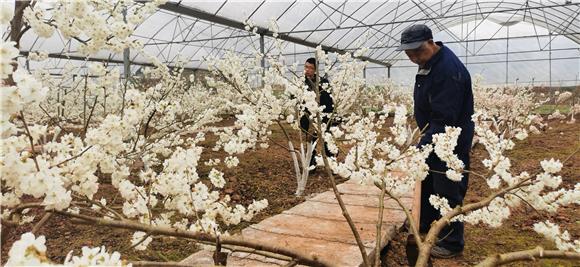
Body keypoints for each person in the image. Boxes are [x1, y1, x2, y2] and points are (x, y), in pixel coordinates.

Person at [397, 24, 474, 258]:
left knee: (448, 189)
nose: (414, 58)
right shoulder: (428, 63)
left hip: (450, 140)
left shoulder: (448, 71)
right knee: (429, 184)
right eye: (409, 55)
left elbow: (445, 118)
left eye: (418, 52)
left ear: (431, 42)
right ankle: (428, 225)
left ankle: (452, 243)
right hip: (434, 135)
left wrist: (422, 147)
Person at [300, 57, 335, 169]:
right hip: (308, 117)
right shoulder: (301, 82)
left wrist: (327, 117)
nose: (308, 70)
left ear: (315, 70)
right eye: (306, 67)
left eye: (311, 68)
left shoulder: (323, 83)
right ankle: (311, 164)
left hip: (323, 117)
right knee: (310, 141)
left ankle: (331, 164)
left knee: (326, 141)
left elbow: (329, 101)